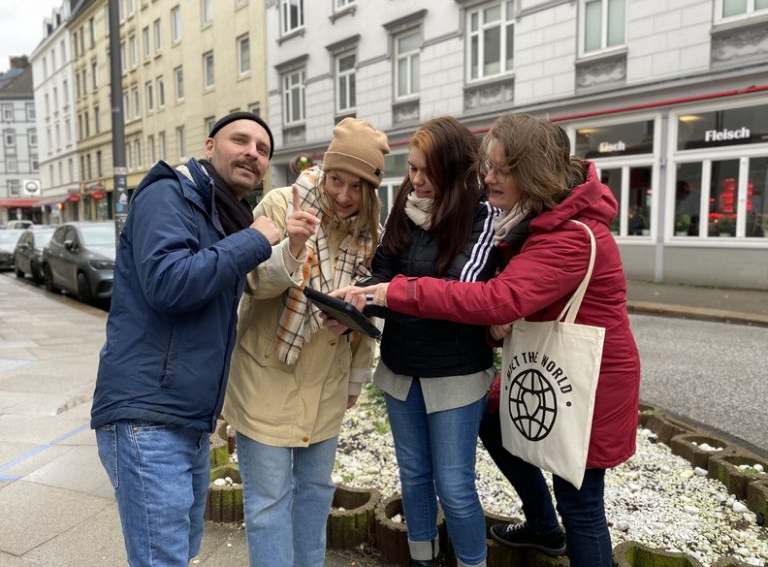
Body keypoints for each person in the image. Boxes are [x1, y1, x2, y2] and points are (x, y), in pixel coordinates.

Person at [351, 113, 641, 567]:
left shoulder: (569, 235)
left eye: (501, 169)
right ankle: (543, 526)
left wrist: (394, 291)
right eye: (489, 167)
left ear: (534, 172)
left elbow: (497, 298)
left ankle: (553, 528)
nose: (487, 178)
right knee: (493, 420)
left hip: (589, 383)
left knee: (581, 504)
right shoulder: (533, 220)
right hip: (545, 366)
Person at [90, 111, 290, 567]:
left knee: (180, 553)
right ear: (209, 146)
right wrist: (257, 239)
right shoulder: (169, 194)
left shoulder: (223, 216)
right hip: (148, 417)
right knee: (164, 560)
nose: (252, 153)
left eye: (262, 150)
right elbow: (170, 283)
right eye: (240, 140)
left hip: (188, 421)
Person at [221, 117, 390, 567]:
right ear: (324, 169)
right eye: (337, 179)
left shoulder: (369, 233)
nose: (343, 195)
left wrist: (355, 367)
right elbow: (252, 282)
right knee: (268, 506)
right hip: (267, 377)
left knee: (315, 498)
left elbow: (365, 312)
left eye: (358, 187)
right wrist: (293, 248)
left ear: (371, 191)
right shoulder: (281, 203)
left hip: (327, 386)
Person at [344, 116, 497, 567]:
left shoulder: (481, 214)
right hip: (401, 367)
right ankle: (422, 558)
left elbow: (460, 294)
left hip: (455, 373)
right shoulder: (403, 206)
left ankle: (472, 562)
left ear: (454, 170)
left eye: (428, 171)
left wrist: (384, 293)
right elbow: (382, 272)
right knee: (413, 476)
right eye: (412, 169)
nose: (417, 181)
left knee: (454, 486)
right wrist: (358, 301)